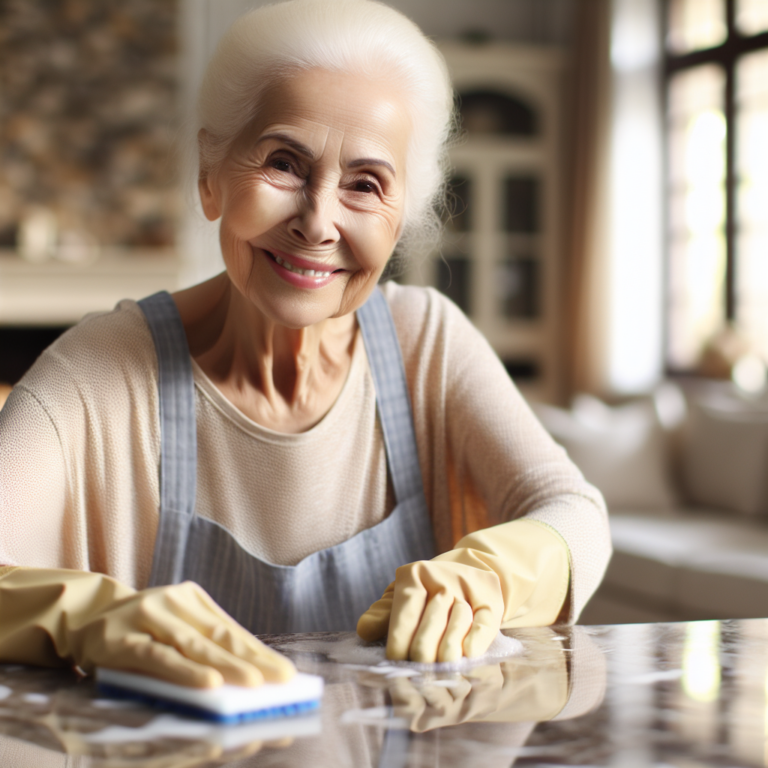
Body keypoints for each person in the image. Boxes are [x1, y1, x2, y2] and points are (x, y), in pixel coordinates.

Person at [0, 0, 610, 689]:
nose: (318, 222)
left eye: (365, 184)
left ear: (402, 217)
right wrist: (85, 615)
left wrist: (488, 577)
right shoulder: (100, 367)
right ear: (212, 173)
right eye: (285, 164)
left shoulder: (426, 341)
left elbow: (575, 514)